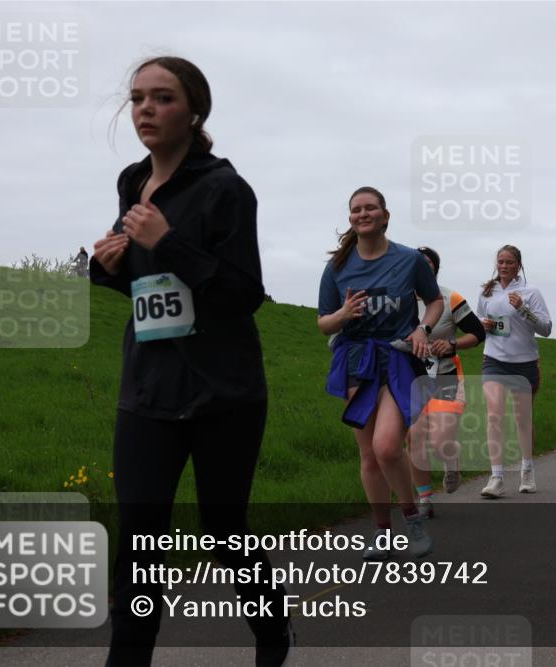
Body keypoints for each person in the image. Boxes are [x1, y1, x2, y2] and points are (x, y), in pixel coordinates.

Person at [90, 57, 291, 665]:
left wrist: (166, 241)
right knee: (141, 542)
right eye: (137, 99)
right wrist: (107, 268)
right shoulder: (132, 181)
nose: (146, 109)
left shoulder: (226, 188)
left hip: (223, 391)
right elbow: (149, 285)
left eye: (162, 98)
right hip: (148, 386)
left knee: (224, 535)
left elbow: (241, 294)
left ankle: (271, 634)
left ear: (194, 111)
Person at [318, 186, 443, 560]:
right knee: (369, 456)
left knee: (387, 447)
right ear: (351, 219)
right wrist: (342, 316)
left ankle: (413, 521)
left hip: (398, 356)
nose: (362, 213)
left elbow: (434, 300)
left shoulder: (409, 260)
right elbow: (324, 323)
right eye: (356, 209)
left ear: (385, 216)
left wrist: (423, 328)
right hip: (357, 359)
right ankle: (382, 532)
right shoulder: (337, 268)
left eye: (370, 208)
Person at [406, 247, 486, 518]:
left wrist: (452, 344)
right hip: (410, 377)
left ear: (435, 269)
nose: (422, 267)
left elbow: (477, 333)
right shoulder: (400, 297)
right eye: (417, 263)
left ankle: (451, 459)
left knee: (440, 440)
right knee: (415, 438)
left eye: (428, 264)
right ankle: (424, 498)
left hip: (446, 376)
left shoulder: (449, 298)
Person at [475, 245, 552, 497]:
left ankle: (527, 470)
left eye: (509, 262)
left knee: (522, 419)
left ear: (519, 265)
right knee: (494, 415)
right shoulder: (487, 291)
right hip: (494, 360)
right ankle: (496, 478)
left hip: (524, 363)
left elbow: (546, 328)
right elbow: (479, 323)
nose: (504, 266)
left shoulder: (531, 292)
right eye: (501, 261)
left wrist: (523, 309)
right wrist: (484, 325)